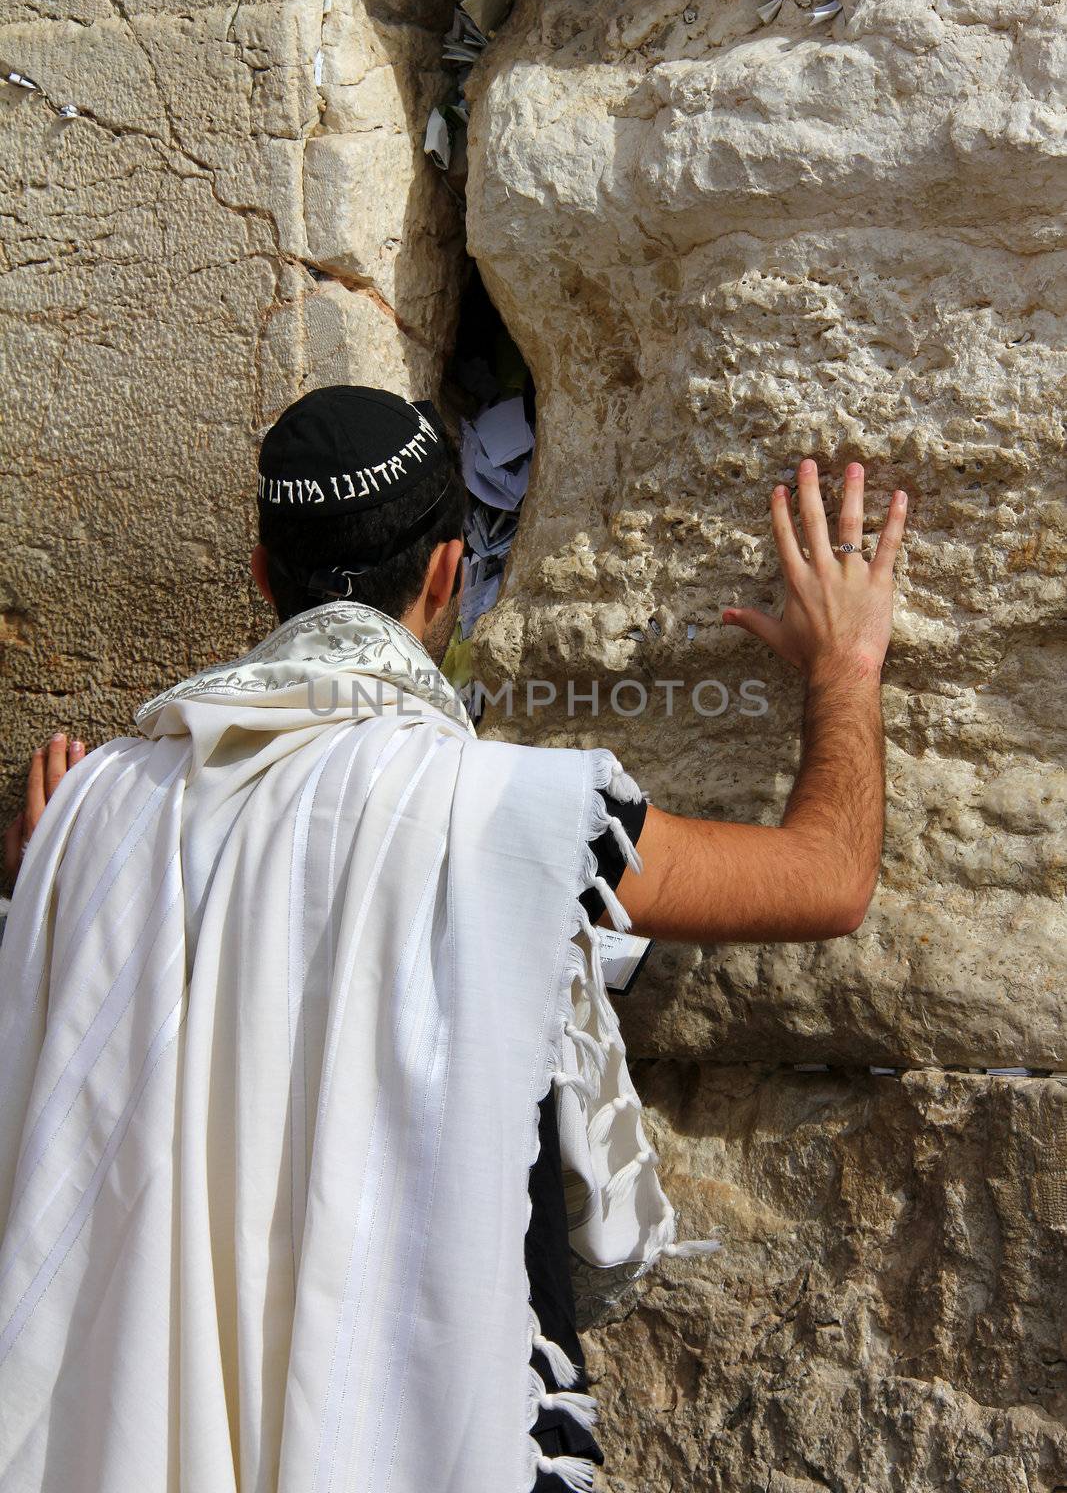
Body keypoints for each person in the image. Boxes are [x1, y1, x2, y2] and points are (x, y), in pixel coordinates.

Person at [0, 385, 907, 1493]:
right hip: (444, 1428)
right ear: (445, 574)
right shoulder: (509, 811)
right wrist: (844, 665)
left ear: (260, 576)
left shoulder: (95, 811)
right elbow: (824, 877)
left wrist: (53, 875)